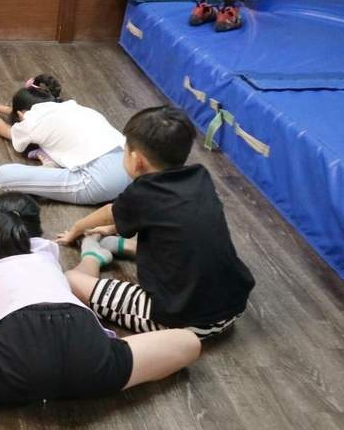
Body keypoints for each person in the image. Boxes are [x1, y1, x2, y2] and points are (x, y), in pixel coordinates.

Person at [0, 192, 201, 405]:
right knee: (188, 343)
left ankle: (39, 386)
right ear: (38, 233)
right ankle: (73, 384)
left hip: (17, 366)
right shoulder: (48, 250)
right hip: (89, 357)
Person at [58, 105, 255, 338]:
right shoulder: (199, 176)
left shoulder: (142, 193)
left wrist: (77, 229)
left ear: (136, 160)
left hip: (184, 324)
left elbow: (111, 210)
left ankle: (94, 256)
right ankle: (125, 246)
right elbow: (153, 218)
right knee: (173, 239)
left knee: (70, 280)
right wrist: (112, 229)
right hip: (234, 305)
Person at [0, 74, 131, 205]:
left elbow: (6, 131)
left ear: (21, 114)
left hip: (101, 182)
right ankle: (50, 160)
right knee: (50, 142)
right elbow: (21, 115)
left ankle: (50, 164)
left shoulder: (32, 121)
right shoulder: (75, 108)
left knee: (4, 175)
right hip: (132, 169)